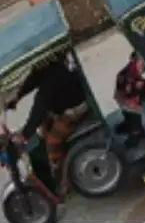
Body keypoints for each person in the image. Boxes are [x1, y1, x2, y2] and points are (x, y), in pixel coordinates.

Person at [7, 57, 88, 191]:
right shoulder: (51, 62)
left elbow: (42, 102)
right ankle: (51, 167)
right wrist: (17, 96)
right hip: (61, 101)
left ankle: (64, 179)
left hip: (75, 106)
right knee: (41, 132)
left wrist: (25, 134)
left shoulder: (56, 72)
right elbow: (35, 77)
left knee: (52, 142)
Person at [113, 52, 145, 149]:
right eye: (141, 64)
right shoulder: (132, 77)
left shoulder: (129, 70)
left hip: (123, 97)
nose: (143, 67)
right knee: (134, 120)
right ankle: (135, 135)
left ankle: (129, 126)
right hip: (129, 100)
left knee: (129, 114)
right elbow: (139, 88)